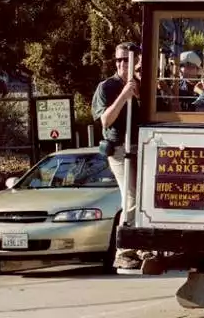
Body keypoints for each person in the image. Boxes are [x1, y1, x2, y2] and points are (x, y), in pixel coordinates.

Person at [91, 41, 143, 271]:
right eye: (118, 60)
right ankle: (124, 251)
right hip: (120, 148)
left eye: (127, 59)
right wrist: (124, 94)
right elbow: (106, 120)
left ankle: (143, 246)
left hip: (143, 145)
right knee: (130, 196)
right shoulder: (107, 87)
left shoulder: (144, 84)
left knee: (145, 197)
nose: (122, 64)